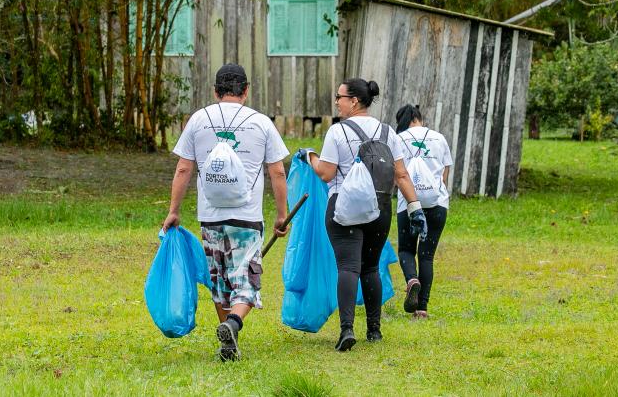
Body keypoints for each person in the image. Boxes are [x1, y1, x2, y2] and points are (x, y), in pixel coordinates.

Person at [161, 64, 290, 362]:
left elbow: (183, 168)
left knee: (220, 280)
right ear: (246, 90)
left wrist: (173, 211)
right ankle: (233, 324)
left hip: (210, 216)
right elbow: (278, 173)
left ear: (215, 91)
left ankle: (227, 341)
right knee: (247, 278)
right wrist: (281, 214)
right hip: (246, 217)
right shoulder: (261, 122)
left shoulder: (198, 120)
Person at [302, 78, 422, 351]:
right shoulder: (388, 132)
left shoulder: (337, 131)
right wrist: (414, 207)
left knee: (347, 267)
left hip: (344, 207)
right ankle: (374, 331)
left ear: (354, 100)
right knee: (370, 267)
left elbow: (326, 173)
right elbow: (400, 174)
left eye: (339, 96)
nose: (337, 101)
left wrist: (310, 156)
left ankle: (346, 329)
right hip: (379, 207)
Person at [394, 104, 452, 320]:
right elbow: (444, 176)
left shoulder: (398, 140)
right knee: (427, 256)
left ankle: (412, 280)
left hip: (409, 203)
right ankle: (422, 309)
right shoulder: (439, 138)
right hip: (437, 204)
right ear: (418, 118)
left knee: (406, 250)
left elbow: (396, 175)